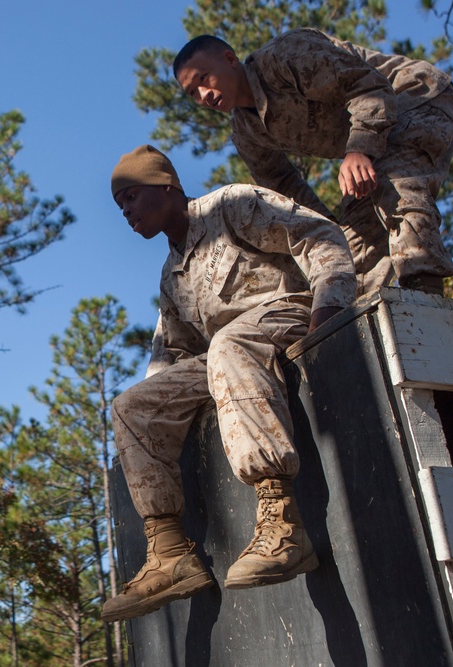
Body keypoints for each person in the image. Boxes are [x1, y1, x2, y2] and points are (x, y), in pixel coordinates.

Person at [101, 144, 355, 623]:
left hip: (290, 314)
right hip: (232, 353)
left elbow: (320, 234)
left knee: (229, 343)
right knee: (133, 406)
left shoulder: (231, 206)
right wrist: (161, 413)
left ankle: (282, 522)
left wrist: (331, 305)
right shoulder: (171, 274)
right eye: (120, 206)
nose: (126, 212)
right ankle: (170, 553)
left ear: (167, 186)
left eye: (131, 197)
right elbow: (169, 356)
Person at [171, 29, 453, 296]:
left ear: (230, 60)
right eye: (193, 93)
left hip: (414, 98)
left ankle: (425, 292)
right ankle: (361, 323)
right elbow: (283, 186)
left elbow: (369, 86)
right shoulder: (246, 133)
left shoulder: (284, 57)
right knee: (349, 249)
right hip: (375, 139)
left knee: (394, 185)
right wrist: (325, 228)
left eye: (204, 79)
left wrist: (360, 150)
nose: (203, 95)